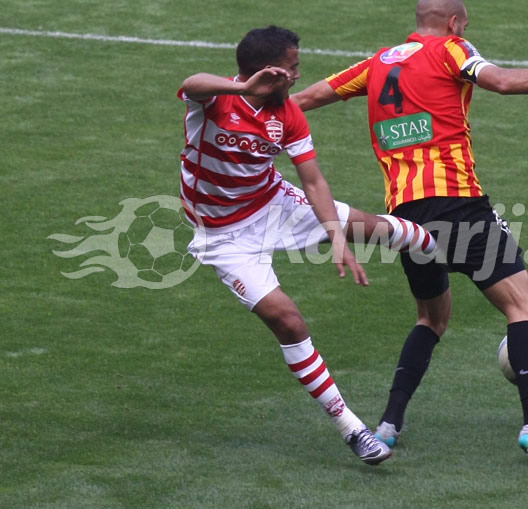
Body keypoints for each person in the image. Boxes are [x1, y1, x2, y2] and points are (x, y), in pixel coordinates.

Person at [291, 0, 528, 461]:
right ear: (453, 22)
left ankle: (387, 425)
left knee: (432, 318)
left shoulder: (376, 63)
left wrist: (241, 114)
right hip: (458, 205)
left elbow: (304, 99)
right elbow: (501, 82)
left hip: (405, 217)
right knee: (523, 304)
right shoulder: (452, 50)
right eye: (464, 27)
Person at [178, 25, 436, 466]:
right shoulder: (216, 99)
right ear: (270, 71)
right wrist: (242, 85)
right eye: (293, 67)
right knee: (289, 322)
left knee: (369, 227)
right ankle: (352, 428)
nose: (299, 75)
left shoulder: (289, 114)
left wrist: (337, 237)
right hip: (224, 236)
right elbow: (190, 84)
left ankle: (432, 241)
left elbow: (312, 179)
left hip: (271, 203)